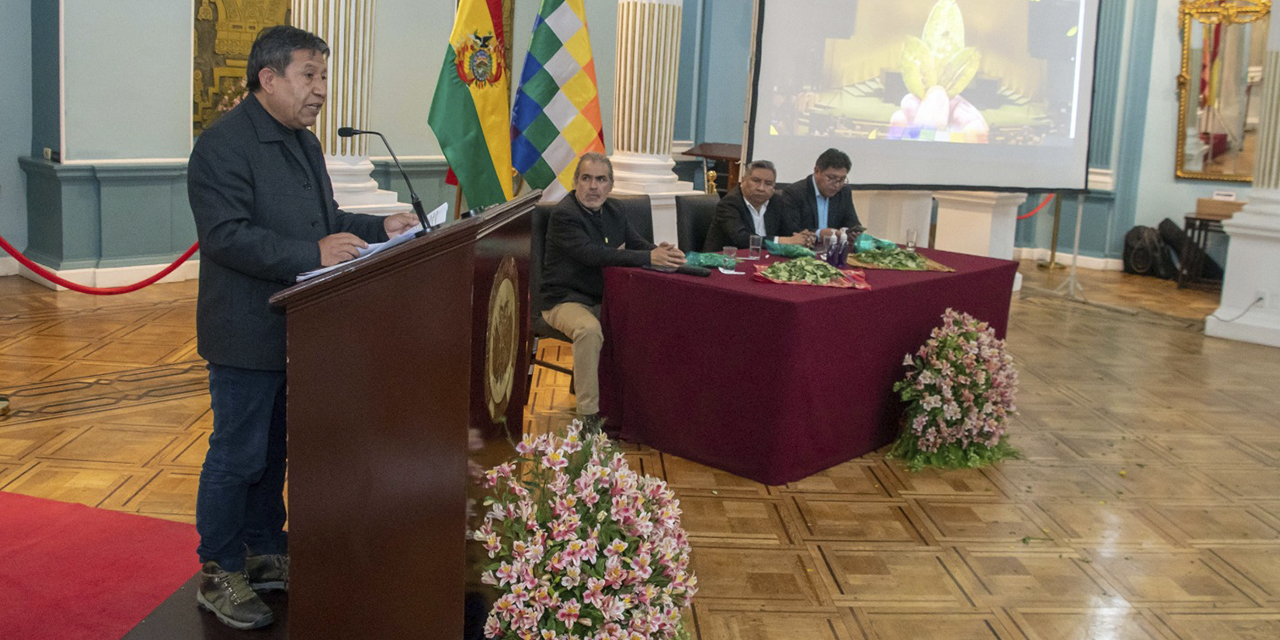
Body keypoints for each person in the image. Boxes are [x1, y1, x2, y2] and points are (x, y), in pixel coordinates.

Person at [187, 25, 417, 630]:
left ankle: (264, 551)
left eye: (323, 75)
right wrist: (310, 253)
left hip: (301, 326)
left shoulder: (304, 143)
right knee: (237, 455)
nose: (320, 89)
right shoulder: (221, 146)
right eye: (308, 75)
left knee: (274, 450)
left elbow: (327, 221)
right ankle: (218, 568)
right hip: (244, 330)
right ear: (269, 79)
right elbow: (226, 236)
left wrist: (380, 228)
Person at [541, 153, 685, 431]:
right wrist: (646, 257)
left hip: (604, 298)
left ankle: (639, 408)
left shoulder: (615, 211)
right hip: (564, 300)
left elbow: (637, 243)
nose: (593, 186)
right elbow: (592, 254)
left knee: (648, 321)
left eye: (600, 180)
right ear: (575, 182)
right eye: (586, 178)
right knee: (588, 330)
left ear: (610, 185)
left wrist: (661, 252)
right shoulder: (565, 214)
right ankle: (588, 417)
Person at [702, 159, 813, 252]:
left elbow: (789, 231)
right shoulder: (729, 204)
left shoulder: (776, 202)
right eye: (756, 181)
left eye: (768, 184)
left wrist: (803, 237)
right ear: (743, 180)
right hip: (724, 264)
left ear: (774, 185)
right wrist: (783, 241)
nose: (761, 188)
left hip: (764, 262)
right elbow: (741, 239)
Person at [779, 148, 863, 241]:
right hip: (804, 250)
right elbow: (790, 231)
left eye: (842, 179)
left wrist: (853, 232)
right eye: (831, 178)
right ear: (817, 171)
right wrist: (819, 233)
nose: (837, 184)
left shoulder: (844, 191)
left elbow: (852, 222)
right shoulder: (794, 192)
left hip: (833, 250)